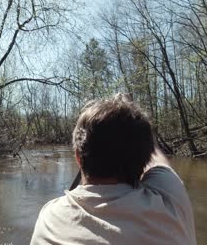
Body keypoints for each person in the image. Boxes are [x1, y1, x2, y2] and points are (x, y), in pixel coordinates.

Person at [30, 94, 197, 245]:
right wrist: (136, 127)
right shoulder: (172, 207)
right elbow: (159, 162)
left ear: (78, 158)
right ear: (145, 156)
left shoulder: (49, 218)